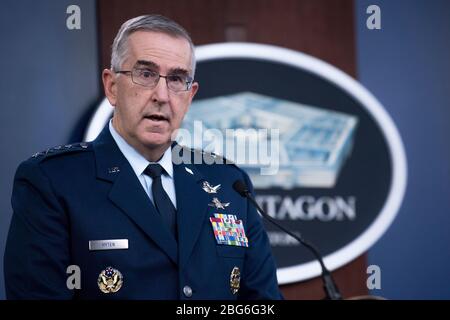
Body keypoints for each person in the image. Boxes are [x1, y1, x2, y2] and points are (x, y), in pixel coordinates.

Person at [4, 14, 282, 300]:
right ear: (112, 86)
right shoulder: (53, 182)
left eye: (176, 79)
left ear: (190, 95)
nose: (162, 95)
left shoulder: (229, 184)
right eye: (146, 74)